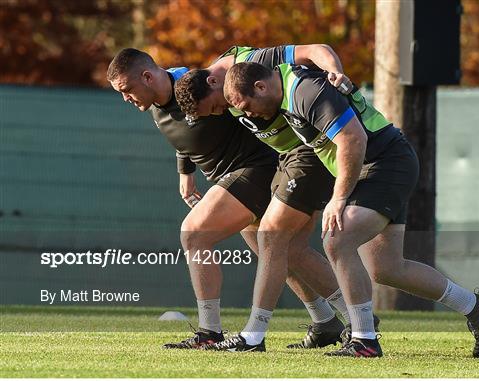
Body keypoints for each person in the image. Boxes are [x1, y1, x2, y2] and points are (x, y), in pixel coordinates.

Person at [212, 61, 479, 358]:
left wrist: (339, 199)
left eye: (247, 106)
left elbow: (354, 138)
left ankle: (364, 339)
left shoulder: (304, 90)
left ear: (261, 86)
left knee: (337, 239)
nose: (248, 114)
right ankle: (475, 306)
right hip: (378, 165)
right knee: (387, 268)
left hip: (384, 164)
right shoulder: (284, 91)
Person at [106, 48, 354, 350]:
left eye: (127, 90)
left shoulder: (203, 80)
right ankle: (331, 319)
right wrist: (185, 173)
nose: (125, 98)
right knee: (282, 255)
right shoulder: (158, 103)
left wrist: (331, 68)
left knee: (195, 235)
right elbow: (183, 136)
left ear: (147, 76)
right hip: (235, 176)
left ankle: (210, 331)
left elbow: (294, 55)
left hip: (256, 169)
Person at [174, 45, 380, 350]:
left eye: (218, 108)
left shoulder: (252, 64)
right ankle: (355, 318)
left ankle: (253, 335)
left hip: (308, 153)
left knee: (271, 238)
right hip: (288, 158)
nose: (227, 113)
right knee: (290, 249)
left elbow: (315, 49)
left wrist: (335, 71)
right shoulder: (222, 92)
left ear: (216, 83)